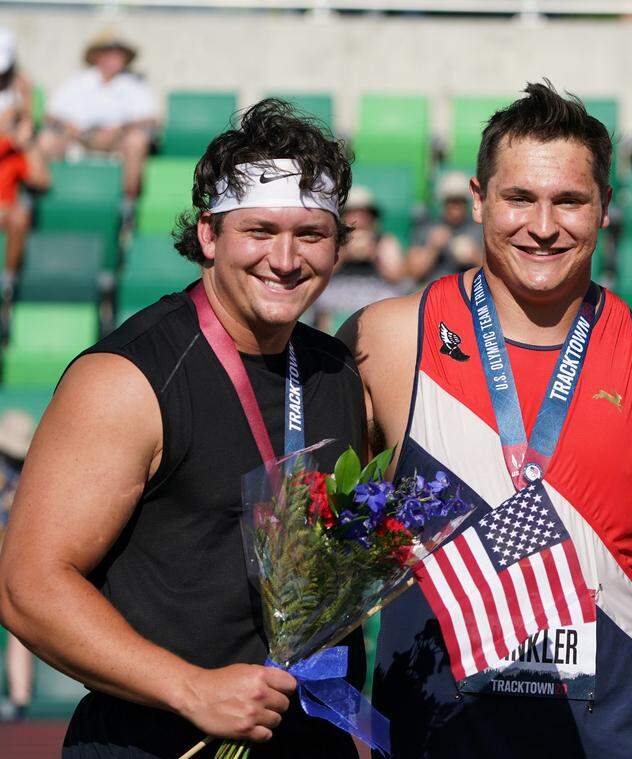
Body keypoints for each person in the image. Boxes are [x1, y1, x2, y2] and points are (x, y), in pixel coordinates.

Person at [0, 99, 366, 758]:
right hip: (156, 742)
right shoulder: (128, 378)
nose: (285, 258)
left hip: (309, 739)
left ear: (338, 245)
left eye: (311, 234)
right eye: (258, 230)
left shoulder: (336, 369)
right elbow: (27, 587)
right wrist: (189, 687)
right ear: (208, 234)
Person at [339, 81, 632, 758]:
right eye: (519, 197)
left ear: (606, 208)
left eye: (569, 200)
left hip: (612, 734)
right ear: (478, 198)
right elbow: (325, 537)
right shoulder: (389, 340)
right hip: (429, 734)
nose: (543, 224)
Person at [37, 29, 157, 200]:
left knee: (136, 142)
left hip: (117, 141)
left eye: (118, 53)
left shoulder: (134, 84)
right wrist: (68, 127)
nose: (114, 58)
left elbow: (151, 118)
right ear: (97, 56)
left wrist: (121, 128)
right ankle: (43, 199)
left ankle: (128, 204)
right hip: (77, 138)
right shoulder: (78, 81)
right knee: (45, 140)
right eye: (108, 53)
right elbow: (50, 114)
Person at [312, 185, 407, 330]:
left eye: (364, 213)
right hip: (338, 291)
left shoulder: (384, 241)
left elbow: (396, 277)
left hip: (373, 290)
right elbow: (320, 273)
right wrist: (344, 253)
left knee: (393, 297)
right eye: (353, 213)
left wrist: (375, 254)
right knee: (320, 298)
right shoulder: (333, 241)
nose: (359, 219)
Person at [0, 28, 50, 292]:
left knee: (19, 215)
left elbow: (40, 179)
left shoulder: (17, 148)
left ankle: (6, 282)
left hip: (5, 209)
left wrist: (27, 130)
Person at [0, 409, 35, 723]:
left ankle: (20, 697)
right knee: (18, 630)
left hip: (14, 560)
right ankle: (19, 696)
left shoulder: (28, 475)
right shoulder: (30, 473)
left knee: (19, 630)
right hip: (16, 559)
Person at [405, 169, 483, 283]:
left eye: (460, 201)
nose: (455, 207)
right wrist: (432, 248)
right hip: (434, 292)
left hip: (471, 293)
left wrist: (475, 256)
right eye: (451, 201)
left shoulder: (479, 228)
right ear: (443, 202)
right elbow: (412, 273)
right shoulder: (427, 227)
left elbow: (498, 272)